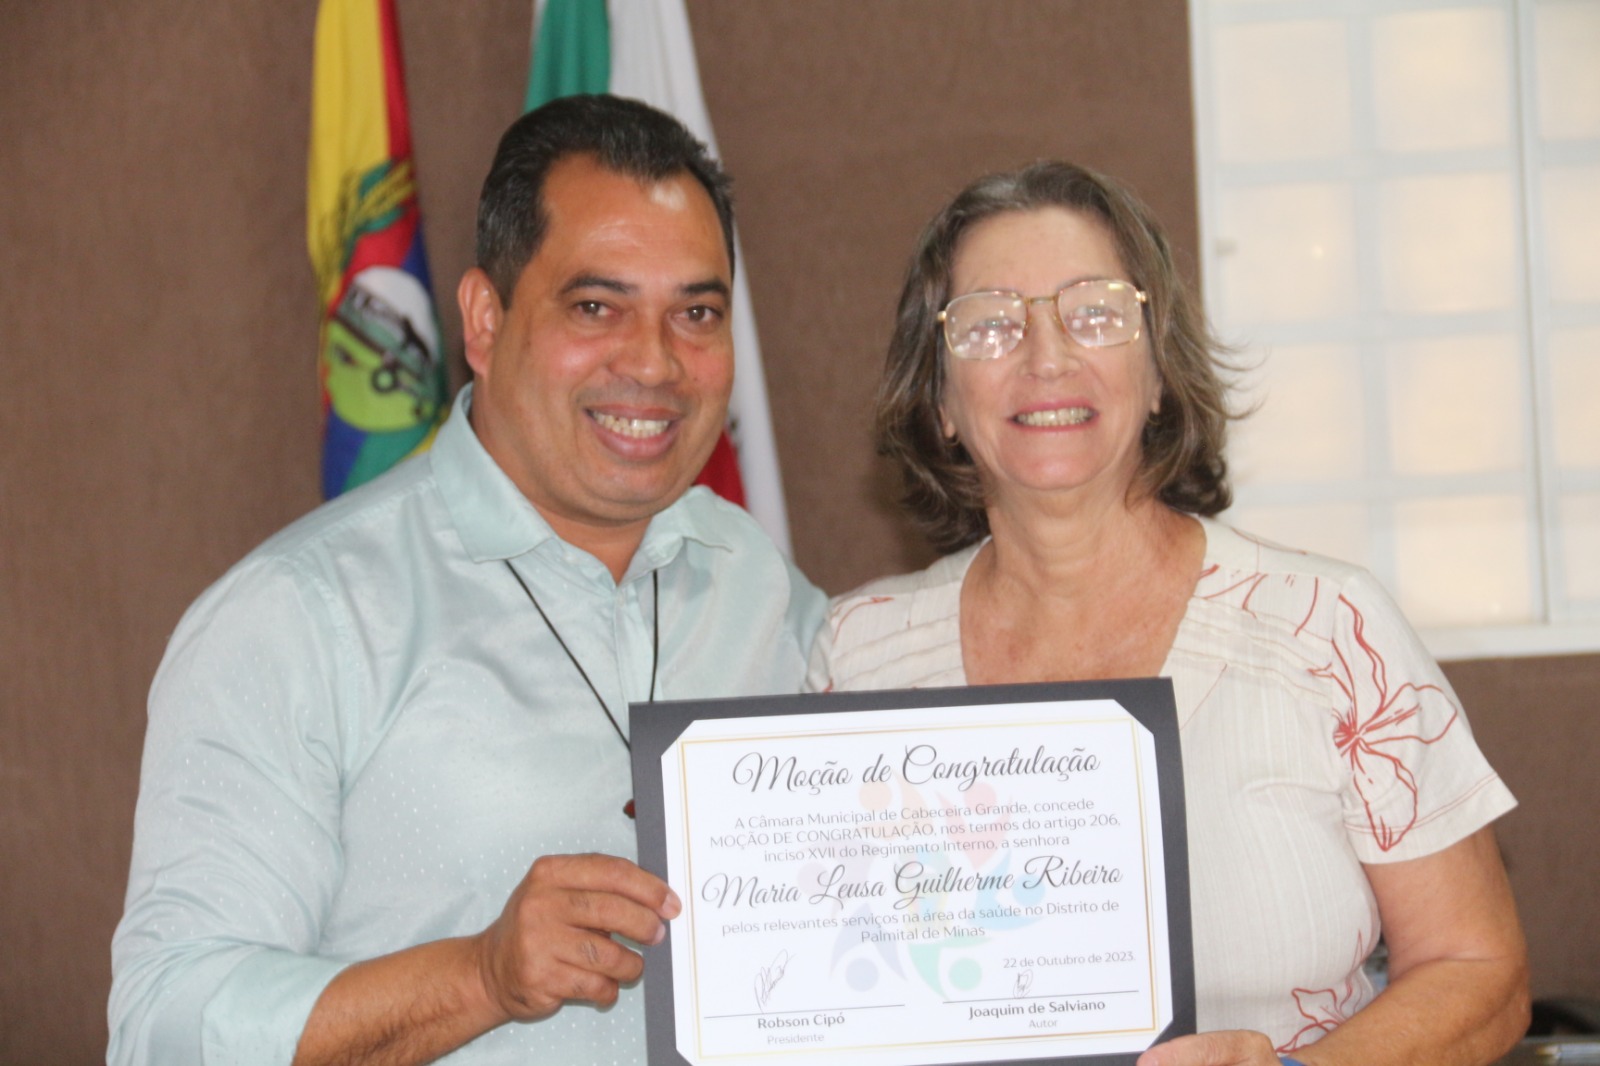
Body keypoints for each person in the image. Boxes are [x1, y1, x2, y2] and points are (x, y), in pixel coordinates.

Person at [109, 95, 824, 1066]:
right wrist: (480, 977)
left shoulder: (761, 584)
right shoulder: (295, 617)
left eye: (695, 313)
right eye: (596, 307)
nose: (655, 362)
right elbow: (164, 1026)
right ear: (485, 321)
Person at [808, 161, 1529, 1066]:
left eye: (1095, 313)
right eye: (989, 323)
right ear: (941, 398)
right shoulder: (856, 656)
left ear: (1157, 375)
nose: (1046, 357)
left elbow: (1480, 969)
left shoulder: (1329, 632)